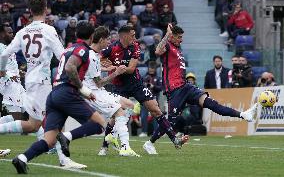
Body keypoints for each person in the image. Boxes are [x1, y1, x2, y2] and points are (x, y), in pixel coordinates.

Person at [143, 24, 258, 154]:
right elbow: (157, 51)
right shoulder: (168, 46)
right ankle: (149, 143)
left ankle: (243, 114)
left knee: (211, 104)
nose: (181, 39)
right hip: (175, 90)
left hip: (186, 86)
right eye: (179, 37)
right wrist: (166, 35)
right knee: (170, 121)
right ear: (172, 37)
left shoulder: (178, 49)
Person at [0, 0, 84, 173]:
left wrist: (1, 70)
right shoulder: (48, 30)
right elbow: (62, 54)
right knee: (55, 117)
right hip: (42, 80)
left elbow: (4, 55)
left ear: (30, 11)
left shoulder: (23, 31)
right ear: (46, 9)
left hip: (29, 80)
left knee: (33, 124)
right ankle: (64, 160)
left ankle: (63, 159)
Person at [11, 21, 107, 174]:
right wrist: (82, 89)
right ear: (92, 35)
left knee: (49, 140)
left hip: (54, 94)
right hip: (67, 92)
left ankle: (22, 158)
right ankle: (66, 137)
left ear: (76, 34)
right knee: (100, 124)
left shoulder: (69, 48)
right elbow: (70, 68)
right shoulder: (83, 50)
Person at [100, 25, 189, 151]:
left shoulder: (135, 46)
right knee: (115, 118)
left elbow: (131, 69)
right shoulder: (112, 48)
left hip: (136, 84)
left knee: (156, 110)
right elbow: (99, 59)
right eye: (132, 35)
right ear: (124, 36)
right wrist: (107, 64)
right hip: (119, 86)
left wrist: (114, 67)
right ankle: (104, 147)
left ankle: (174, 139)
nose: (135, 38)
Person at [57, 26, 140, 157]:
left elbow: (89, 72)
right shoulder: (92, 56)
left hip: (95, 90)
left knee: (130, 105)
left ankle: (112, 136)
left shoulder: (90, 54)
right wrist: (115, 73)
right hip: (92, 92)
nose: (109, 42)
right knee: (118, 112)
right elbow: (99, 82)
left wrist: (107, 69)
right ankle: (125, 148)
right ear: (101, 40)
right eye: (107, 39)